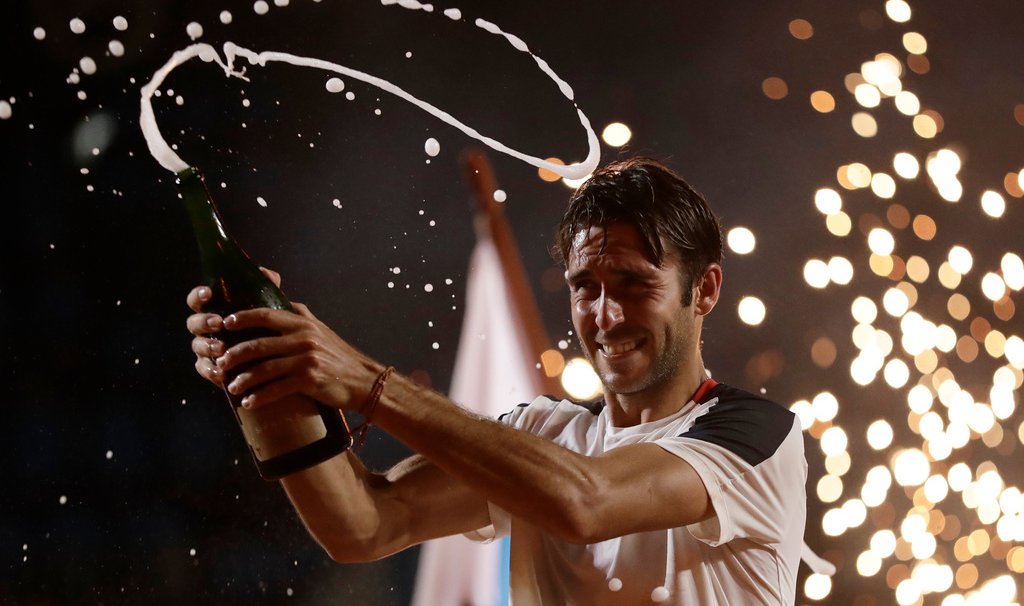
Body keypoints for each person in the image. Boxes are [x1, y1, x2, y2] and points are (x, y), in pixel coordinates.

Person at [187, 157, 807, 605]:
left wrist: (365, 382)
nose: (605, 316)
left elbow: (585, 503)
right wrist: (270, 385)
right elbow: (367, 524)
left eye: (633, 284)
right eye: (584, 288)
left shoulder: (755, 436)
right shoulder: (547, 433)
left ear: (704, 290)